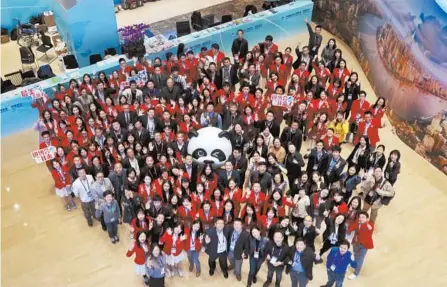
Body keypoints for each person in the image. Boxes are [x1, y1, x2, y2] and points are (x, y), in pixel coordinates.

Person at [347, 211, 374, 280]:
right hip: (355, 243)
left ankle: (356, 273)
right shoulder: (357, 222)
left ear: (367, 219)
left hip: (364, 245)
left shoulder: (370, 225)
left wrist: (365, 224)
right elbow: (351, 227)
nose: (361, 218)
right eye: (360, 217)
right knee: (355, 255)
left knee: (360, 259)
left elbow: (369, 229)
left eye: (363, 217)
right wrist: (348, 230)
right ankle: (355, 264)